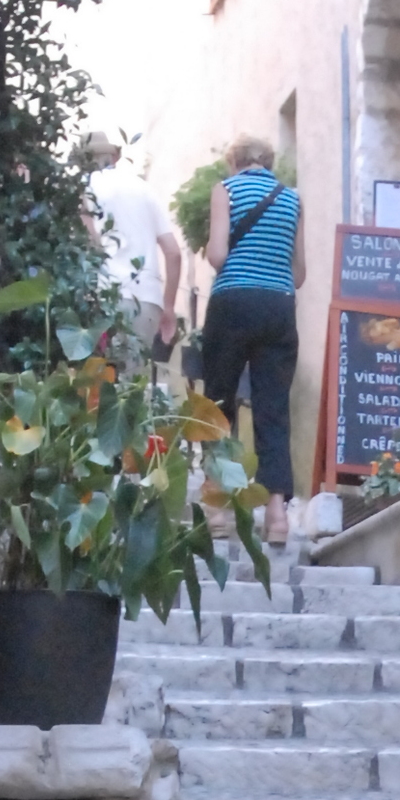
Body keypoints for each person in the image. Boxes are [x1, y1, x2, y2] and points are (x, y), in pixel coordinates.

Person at [189, 135, 303, 550]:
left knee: (218, 404)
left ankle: (218, 508)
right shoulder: (292, 199)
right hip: (278, 307)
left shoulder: (227, 189)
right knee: (273, 410)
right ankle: (276, 516)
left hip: (233, 303)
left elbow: (218, 256)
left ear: (233, 161)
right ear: (269, 163)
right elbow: (299, 273)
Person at [85, 134, 182, 361]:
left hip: (102, 295)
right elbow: (174, 253)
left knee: (96, 379)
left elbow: (90, 242)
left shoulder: (85, 188)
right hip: (146, 299)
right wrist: (168, 307)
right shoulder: (144, 189)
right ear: (115, 157)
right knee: (131, 379)